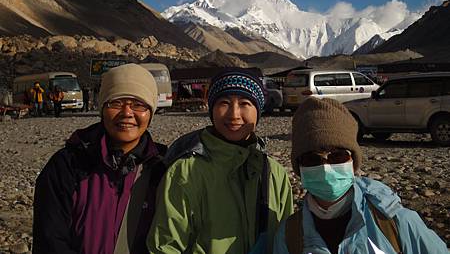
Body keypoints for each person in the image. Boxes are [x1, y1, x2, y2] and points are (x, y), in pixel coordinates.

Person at [273, 97, 449, 254]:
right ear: (299, 168)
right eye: (312, 159)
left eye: (337, 156)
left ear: (353, 161)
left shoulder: (395, 222)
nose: (326, 167)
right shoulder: (289, 235)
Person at [148, 68, 293, 254]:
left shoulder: (275, 173)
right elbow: (165, 246)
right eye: (224, 103)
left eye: (245, 103)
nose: (234, 114)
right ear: (212, 110)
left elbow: (287, 241)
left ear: (258, 111)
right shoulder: (186, 171)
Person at [32, 64, 167, 254]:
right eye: (116, 103)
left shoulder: (162, 168)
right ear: (102, 108)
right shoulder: (67, 166)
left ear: (151, 112)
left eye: (138, 104)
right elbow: (50, 241)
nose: (127, 113)